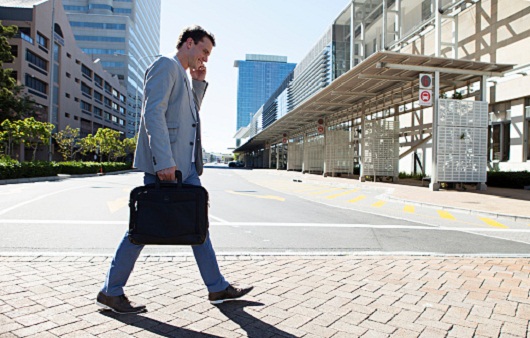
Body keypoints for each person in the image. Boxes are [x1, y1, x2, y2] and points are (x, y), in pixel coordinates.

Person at [96, 25, 253, 314]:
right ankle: (111, 290)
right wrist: (163, 161)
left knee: (197, 226)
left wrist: (197, 84)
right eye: (204, 51)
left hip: (185, 167)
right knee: (142, 229)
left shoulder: (181, 73)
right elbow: (152, 112)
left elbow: (187, 117)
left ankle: (216, 286)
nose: (204, 58)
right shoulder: (165, 65)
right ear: (189, 43)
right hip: (168, 166)